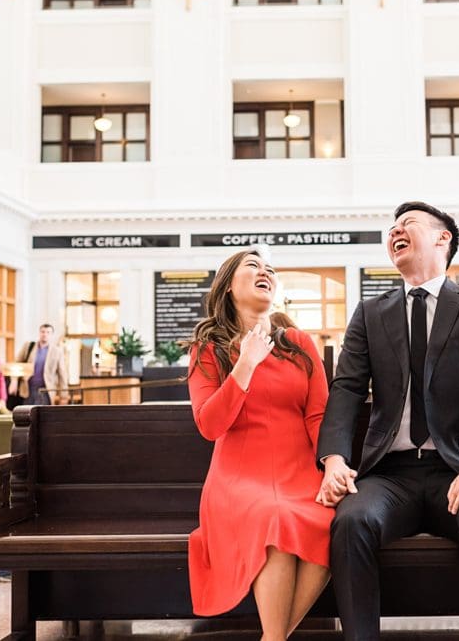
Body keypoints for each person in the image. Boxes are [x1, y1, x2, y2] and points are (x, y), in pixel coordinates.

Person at [317, 201, 459, 641]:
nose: (394, 232)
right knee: (350, 521)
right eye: (390, 229)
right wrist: (333, 458)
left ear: (443, 237)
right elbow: (347, 389)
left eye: (407, 224)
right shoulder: (370, 313)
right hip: (390, 475)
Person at [187, 250, 332, 640]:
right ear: (228, 286)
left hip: (299, 473)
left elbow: (317, 417)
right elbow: (210, 424)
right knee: (275, 519)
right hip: (239, 481)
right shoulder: (208, 349)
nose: (264, 271)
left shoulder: (299, 344)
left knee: (336, 522)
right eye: (252, 266)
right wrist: (245, 364)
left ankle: (274, 638)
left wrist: (332, 465)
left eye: (269, 268)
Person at [10, 324, 69, 405]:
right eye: (43, 332)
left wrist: (64, 396)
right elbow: (16, 364)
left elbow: (62, 375)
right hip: (27, 390)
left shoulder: (57, 352)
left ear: (52, 335)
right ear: (39, 333)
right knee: (26, 414)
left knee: (43, 415)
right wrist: (14, 381)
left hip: (46, 391)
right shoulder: (28, 347)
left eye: (48, 332)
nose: (45, 334)